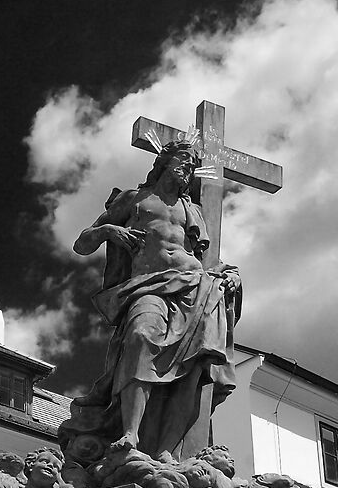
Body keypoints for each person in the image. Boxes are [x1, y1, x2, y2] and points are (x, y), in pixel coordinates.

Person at [70, 140, 242, 461]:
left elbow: (201, 258)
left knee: (193, 371)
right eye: (183, 161)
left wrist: (227, 275)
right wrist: (110, 230)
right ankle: (131, 433)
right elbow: (82, 243)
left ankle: (166, 450)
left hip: (194, 288)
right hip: (148, 286)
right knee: (140, 337)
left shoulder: (193, 211)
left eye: (192, 165)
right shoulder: (135, 201)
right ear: (164, 161)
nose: (187, 169)